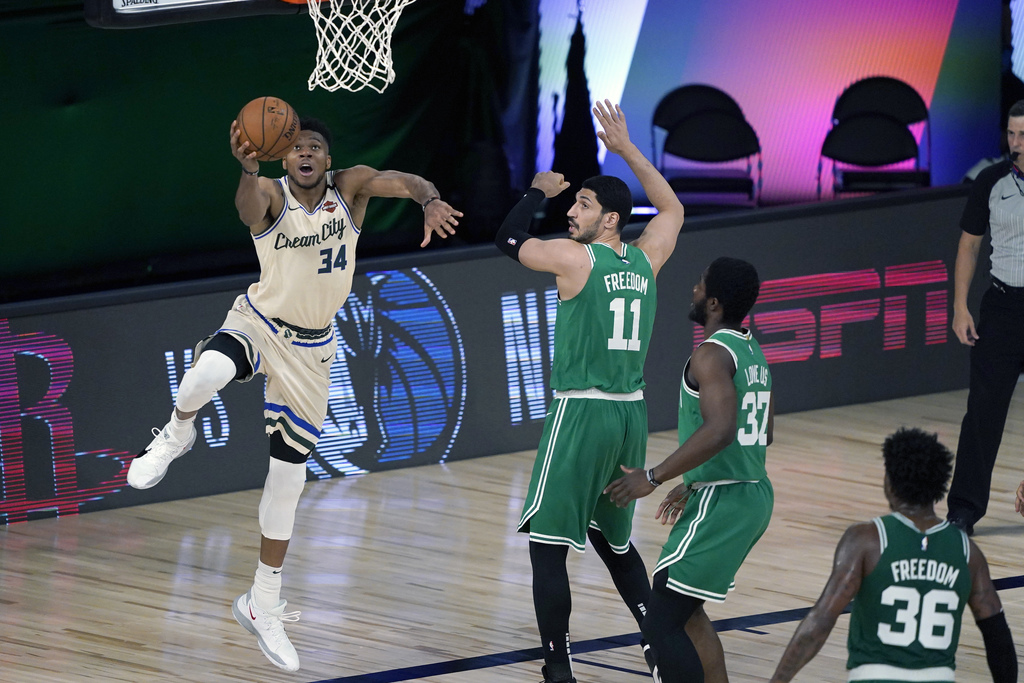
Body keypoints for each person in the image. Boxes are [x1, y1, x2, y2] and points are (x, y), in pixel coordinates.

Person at [126, 116, 462, 672]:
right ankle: (176, 435)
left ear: (328, 159)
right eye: (298, 146)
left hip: (312, 350)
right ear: (284, 157)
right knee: (207, 372)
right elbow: (246, 210)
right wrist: (246, 168)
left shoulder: (350, 188)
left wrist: (429, 199)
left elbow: (405, 181)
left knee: (288, 481)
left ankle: (261, 602)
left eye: (316, 147)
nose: (306, 153)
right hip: (259, 323)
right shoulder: (270, 193)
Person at [493, 99, 684, 683]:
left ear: (609, 220)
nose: (571, 210)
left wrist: (537, 191)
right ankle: (659, 647)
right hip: (631, 416)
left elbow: (507, 238)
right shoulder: (647, 261)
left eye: (583, 203)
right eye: (571, 201)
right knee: (613, 541)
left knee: (547, 544)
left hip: (581, 413)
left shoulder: (575, 259)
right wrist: (627, 149)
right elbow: (672, 208)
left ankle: (557, 667)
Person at [604, 256, 772, 683]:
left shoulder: (711, 355)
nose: (693, 289)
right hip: (748, 491)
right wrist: (698, 478)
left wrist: (654, 476)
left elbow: (721, 430)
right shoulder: (751, 350)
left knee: (661, 625)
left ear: (713, 302)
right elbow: (763, 431)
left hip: (725, 500)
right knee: (688, 613)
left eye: (700, 284)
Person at [769, 427, 1016, 683]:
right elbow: (998, 637)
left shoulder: (866, 540)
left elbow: (820, 621)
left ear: (890, 481)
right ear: (940, 483)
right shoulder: (967, 552)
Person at [947, 99, 1024, 536]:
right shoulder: (991, 181)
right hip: (1003, 307)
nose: (1016, 143)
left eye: (1023, 135)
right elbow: (969, 245)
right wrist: (960, 307)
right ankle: (964, 509)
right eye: (1011, 134)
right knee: (982, 413)